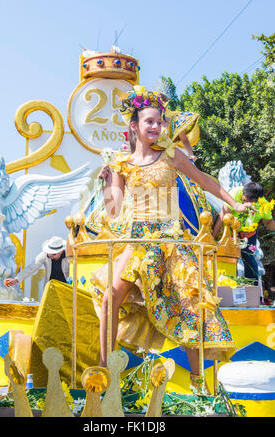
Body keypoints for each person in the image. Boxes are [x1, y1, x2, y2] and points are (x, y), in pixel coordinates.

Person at [92, 85, 253, 391]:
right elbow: (113, 210)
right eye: (149, 121)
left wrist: (235, 204)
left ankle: (199, 385)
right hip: (137, 243)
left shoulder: (171, 155)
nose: (156, 126)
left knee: (190, 307)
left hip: (170, 243)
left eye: (159, 122)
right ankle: (104, 373)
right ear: (134, 126)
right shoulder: (120, 164)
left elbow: (205, 181)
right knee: (111, 296)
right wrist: (107, 182)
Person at [213, 182, 275, 285]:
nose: (244, 201)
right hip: (229, 232)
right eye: (243, 199)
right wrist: (212, 236)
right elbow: (223, 215)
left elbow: (268, 222)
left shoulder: (263, 204)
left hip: (248, 234)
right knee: (226, 256)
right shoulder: (235, 193)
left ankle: (252, 288)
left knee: (249, 258)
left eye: (247, 201)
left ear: (255, 201)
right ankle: (226, 284)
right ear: (243, 192)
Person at [5, 236, 69, 289]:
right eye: (49, 252)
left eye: (53, 253)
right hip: (51, 287)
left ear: (61, 251)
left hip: (67, 287)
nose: (50, 255)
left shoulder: (70, 256)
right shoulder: (44, 255)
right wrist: (16, 279)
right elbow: (31, 267)